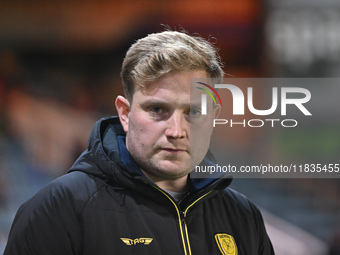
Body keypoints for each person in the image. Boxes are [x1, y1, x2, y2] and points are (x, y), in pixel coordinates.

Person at [4, 30, 274, 255]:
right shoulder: (58, 209)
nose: (176, 131)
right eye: (157, 110)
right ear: (125, 113)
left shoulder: (242, 215)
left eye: (193, 112)